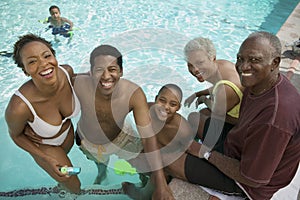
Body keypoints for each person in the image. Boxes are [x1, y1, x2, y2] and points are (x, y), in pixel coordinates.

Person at [166, 31, 300, 199]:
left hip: (247, 183)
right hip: (237, 148)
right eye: (240, 59)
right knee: (197, 119)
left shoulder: (275, 118)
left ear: (275, 62)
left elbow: (253, 179)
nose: (243, 67)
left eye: (254, 60)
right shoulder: (260, 84)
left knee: (168, 158)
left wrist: (204, 152)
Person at [73, 44, 174, 199]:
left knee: (146, 168)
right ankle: (102, 173)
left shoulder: (133, 93)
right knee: (100, 162)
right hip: (89, 141)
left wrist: (160, 183)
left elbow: (147, 137)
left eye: (112, 69)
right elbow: (57, 81)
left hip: (122, 137)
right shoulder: (79, 84)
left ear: (121, 71)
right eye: (99, 70)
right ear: (91, 72)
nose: (106, 76)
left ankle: (142, 181)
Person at [5, 34, 81, 194]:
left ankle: (62, 189)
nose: (43, 64)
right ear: (25, 71)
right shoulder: (19, 107)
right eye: (32, 62)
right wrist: (45, 158)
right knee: (75, 187)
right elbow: (15, 135)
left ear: (54, 56)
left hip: (67, 137)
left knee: (66, 182)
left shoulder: (67, 72)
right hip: (46, 146)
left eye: (47, 56)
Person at [183, 37, 243, 144]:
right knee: (203, 112)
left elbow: (217, 111)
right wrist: (198, 93)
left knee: (193, 118)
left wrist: (204, 99)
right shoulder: (223, 65)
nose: (194, 70)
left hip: (238, 133)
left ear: (212, 58)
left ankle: (200, 150)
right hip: (238, 115)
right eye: (190, 65)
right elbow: (217, 86)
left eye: (199, 63)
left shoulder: (226, 88)